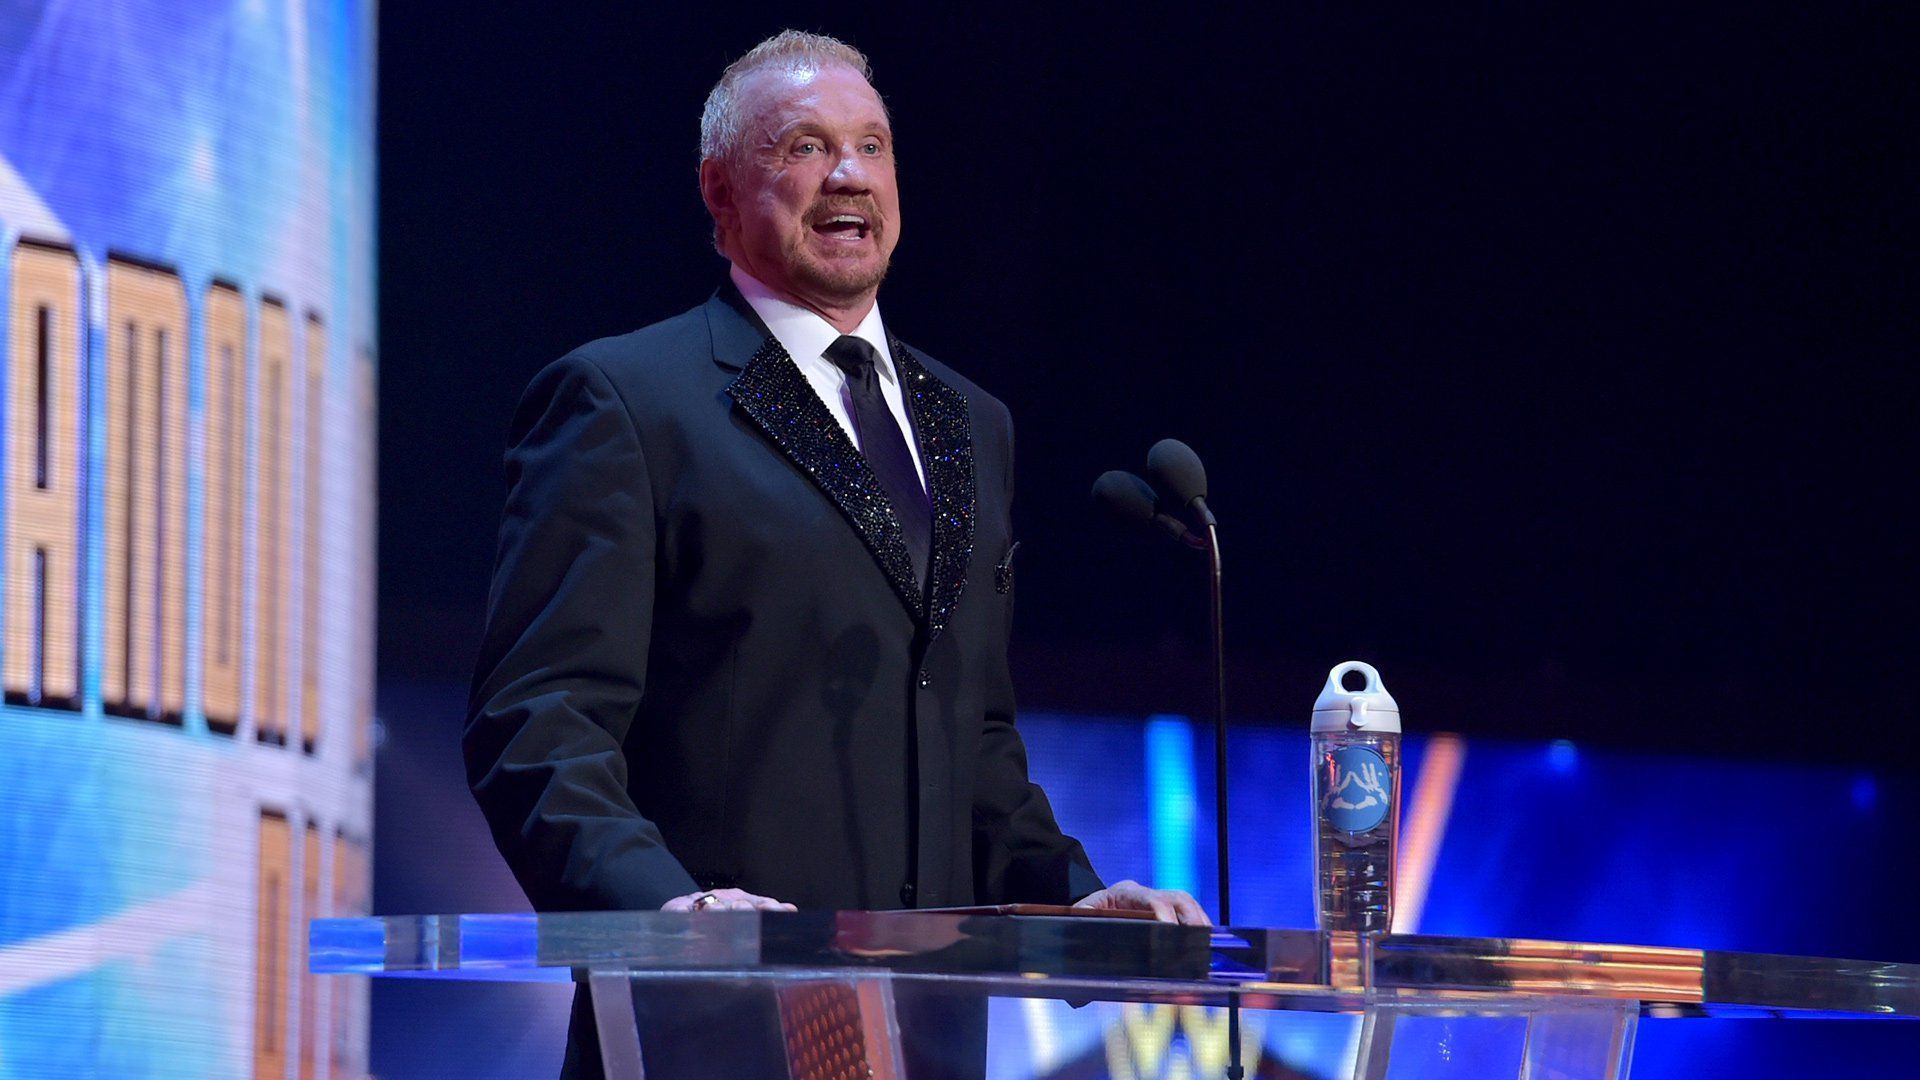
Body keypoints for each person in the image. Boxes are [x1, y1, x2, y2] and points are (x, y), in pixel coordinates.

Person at [463, 30, 1206, 1077]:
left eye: (872, 145)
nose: (849, 173)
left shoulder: (968, 421)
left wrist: (1072, 899)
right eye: (805, 147)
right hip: (712, 1026)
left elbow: (972, 740)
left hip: (930, 1034)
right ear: (720, 193)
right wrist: (668, 915)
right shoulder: (629, 401)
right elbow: (536, 726)